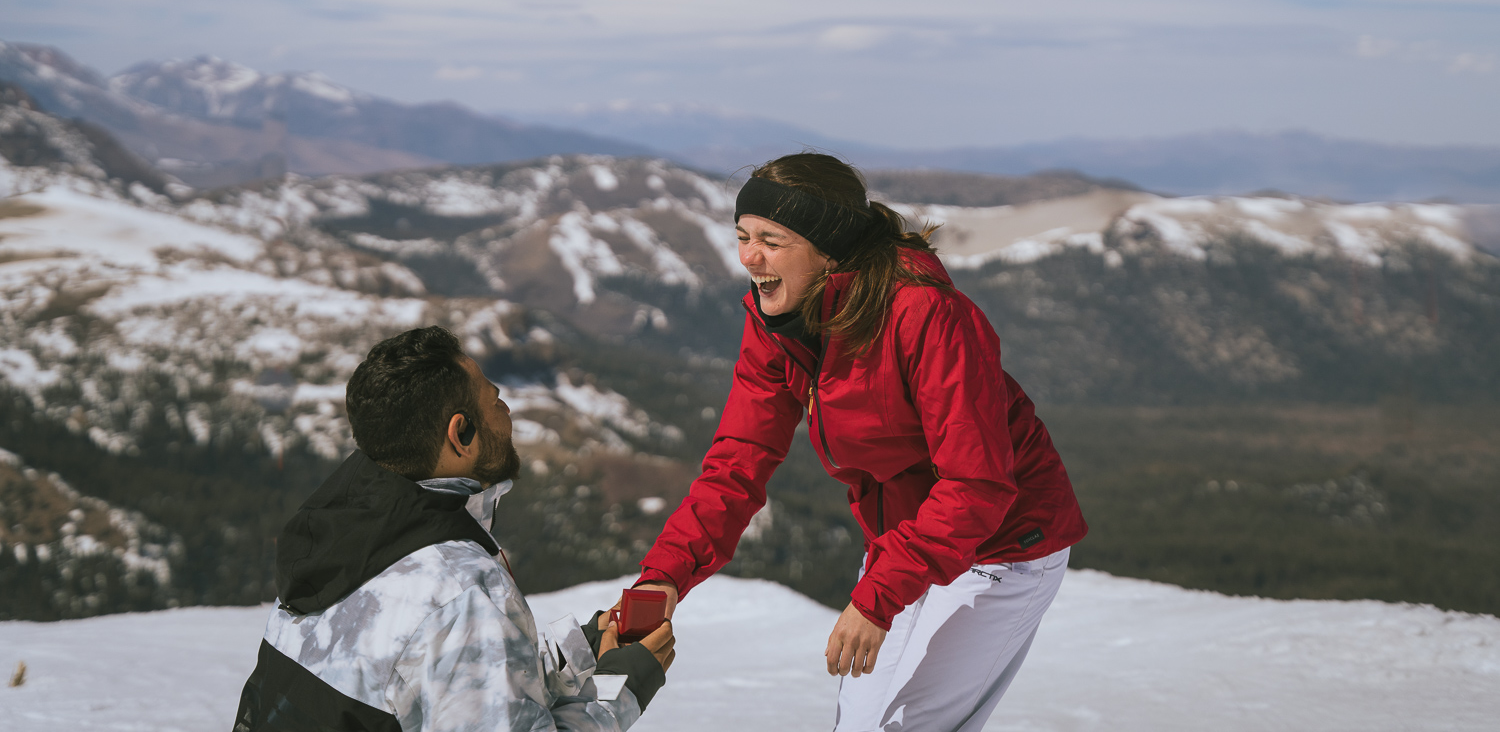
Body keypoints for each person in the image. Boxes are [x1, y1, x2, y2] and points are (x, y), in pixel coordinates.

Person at [632, 153, 1087, 732]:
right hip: (906, 541)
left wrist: (876, 598)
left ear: (829, 251)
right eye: (743, 236)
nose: (749, 258)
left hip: (1002, 544)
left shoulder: (928, 314)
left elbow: (978, 484)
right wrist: (664, 577)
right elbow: (736, 464)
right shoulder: (777, 323)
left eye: (771, 240)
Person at [234, 326, 674, 732]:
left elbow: (424, 680)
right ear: (460, 434)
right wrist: (621, 688)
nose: (506, 408)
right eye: (494, 399)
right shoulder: (462, 591)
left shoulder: (333, 539)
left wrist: (581, 648)